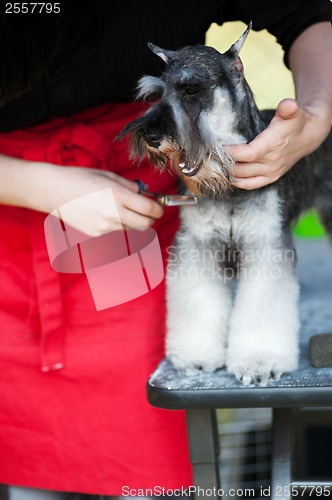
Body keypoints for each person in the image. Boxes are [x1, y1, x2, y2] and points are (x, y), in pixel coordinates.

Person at [0, 1, 331, 499]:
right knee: (23, 458)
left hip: (128, 198)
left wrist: (317, 114)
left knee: (146, 459)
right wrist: (39, 186)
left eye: (193, 94)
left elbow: (306, 11)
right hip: (13, 216)